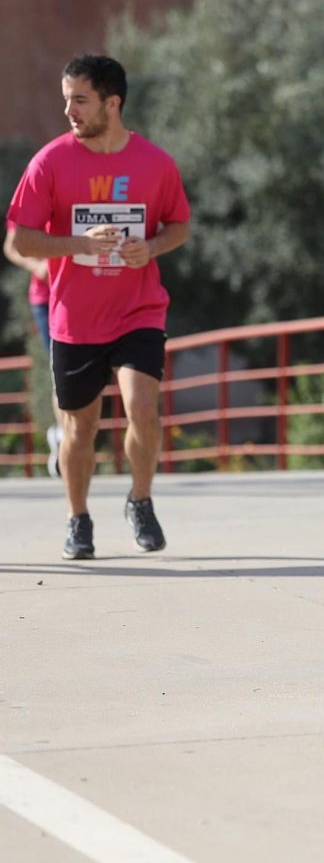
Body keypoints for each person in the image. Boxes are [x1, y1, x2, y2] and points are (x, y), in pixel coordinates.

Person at [6, 55, 191, 559]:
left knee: (143, 409)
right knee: (79, 428)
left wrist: (150, 248)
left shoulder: (155, 163)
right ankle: (78, 518)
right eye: (66, 99)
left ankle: (140, 499)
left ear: (113, 103)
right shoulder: (49, 162)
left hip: (138, 310)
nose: (69, 110)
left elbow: (179, 225)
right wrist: (78, 244)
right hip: (75, 317)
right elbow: (21, 239)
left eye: (80, 100)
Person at [4, 225, 64, 477]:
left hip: (83, 295)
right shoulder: (33, 194)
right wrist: (36, 266)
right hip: (46, 297)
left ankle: (66, 435)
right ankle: (65, 438)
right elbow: (11, 246)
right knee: (61, 366)